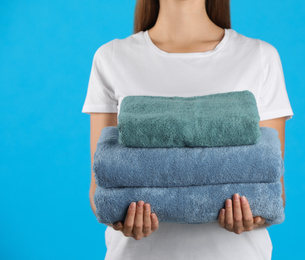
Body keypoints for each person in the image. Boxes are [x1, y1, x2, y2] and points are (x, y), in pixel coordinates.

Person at [81, 0, 294, 259]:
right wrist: (121, 216)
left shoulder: (260, 56)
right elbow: (102, 185)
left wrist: (254, 216)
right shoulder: (112, 56)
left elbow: (272, 188)